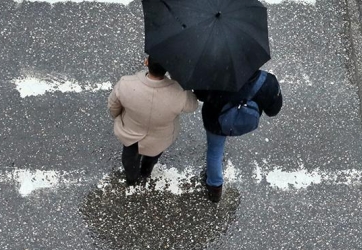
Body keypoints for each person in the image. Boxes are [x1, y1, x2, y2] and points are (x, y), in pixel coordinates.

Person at [194, 70, 283, 202]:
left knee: (215, 152)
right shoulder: (268, 82)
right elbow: (273, 110)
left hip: (215, 122)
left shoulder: (212, 76)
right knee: (215, 152)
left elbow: (200, 94)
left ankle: (215, 189)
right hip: (244, 120)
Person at [108, 57, 198, 185]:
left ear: (146, 62)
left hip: (131, 133)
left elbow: (113, 106)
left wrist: (118, 118)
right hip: (160, 138)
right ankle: (146, 172)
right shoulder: (179, 92)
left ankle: (132, 179)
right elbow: (192, 105)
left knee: (129, 159)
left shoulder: (126, 83)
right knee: (152, 157)